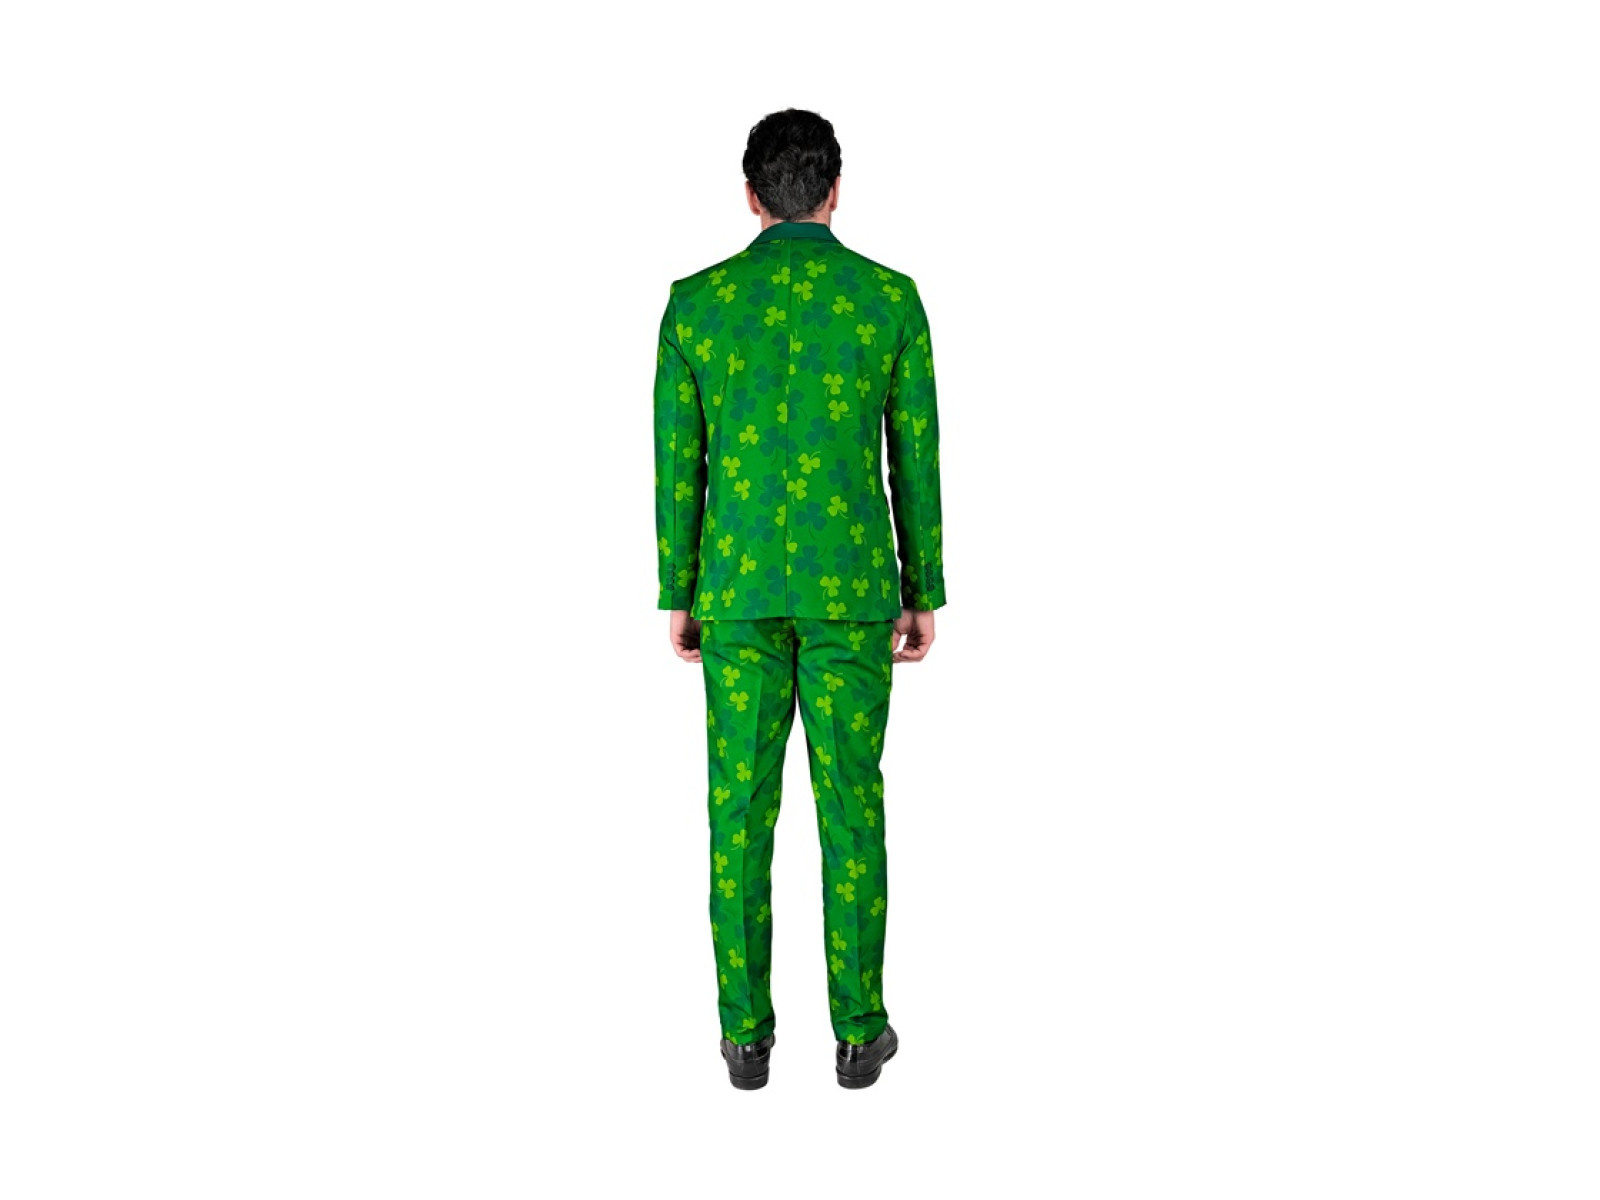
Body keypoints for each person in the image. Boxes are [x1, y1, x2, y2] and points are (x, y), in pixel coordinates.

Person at [652, 108, 945, 1090]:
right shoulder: (888, 300)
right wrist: (923, 589)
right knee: (850, 807)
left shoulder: (696, 305)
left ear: (750, 194)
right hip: (852, 590)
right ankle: (858, 1034)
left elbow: (678, 462)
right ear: (834, 189)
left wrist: (678, 591)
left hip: (733, 592)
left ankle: (745, 1040)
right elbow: (914, 457)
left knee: (738, 809)